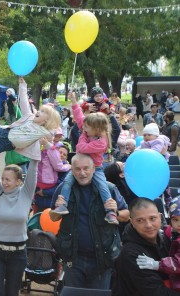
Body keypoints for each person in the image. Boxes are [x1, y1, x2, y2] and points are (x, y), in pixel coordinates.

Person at [51, 153, 129, 289]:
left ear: (94, 169)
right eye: (77, 169)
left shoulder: (108, 189)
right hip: (73, 258)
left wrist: (115, 212)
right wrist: (58, 207)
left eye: (86, 168)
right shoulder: (63, 190)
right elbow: (53, 217)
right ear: (72, 170)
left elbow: (127, 216)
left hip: (102, 259)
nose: (82, 173)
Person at [50, 91, 118, 224]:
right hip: (79, 166)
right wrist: (74, 101)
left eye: (86, 127)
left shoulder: (101, 142)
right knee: (68, 182)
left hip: (96, 168)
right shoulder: (89, 129)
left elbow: (80, 148)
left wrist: (82, 136)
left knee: (102, 186)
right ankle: (62, 205)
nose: (82, 128)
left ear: (97, 129)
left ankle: (110, 211)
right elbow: (79, 116)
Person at [0, 155, 38, 296]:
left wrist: (35, 152)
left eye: (8, 179)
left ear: (19, 182)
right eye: (3, 179)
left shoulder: (26, 194)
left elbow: (33, 172)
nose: (4, 182)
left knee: (12, 293)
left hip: (18, 254)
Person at [112, 198, 180, 295]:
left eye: (152, 218)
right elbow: (156, 292)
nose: (148, 225)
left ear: (160, 217)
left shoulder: (165, 238)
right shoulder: (131, 254)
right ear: (132, 222)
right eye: (140, 220)